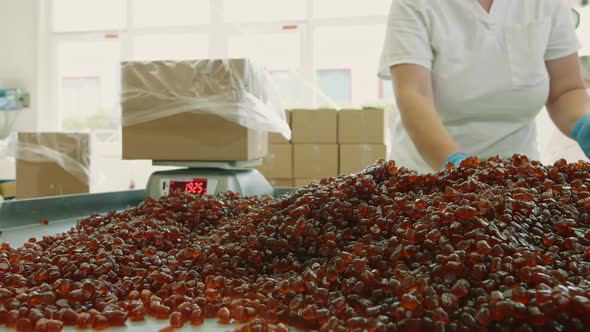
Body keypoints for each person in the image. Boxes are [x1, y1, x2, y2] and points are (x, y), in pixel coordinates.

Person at [378, 0, 590, 173]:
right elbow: (414, 96)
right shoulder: (414, 4)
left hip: (518, 184)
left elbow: (565, 91)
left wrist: (584, 126)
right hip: (428, 179)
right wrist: (460, 169)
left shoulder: (547, 4)